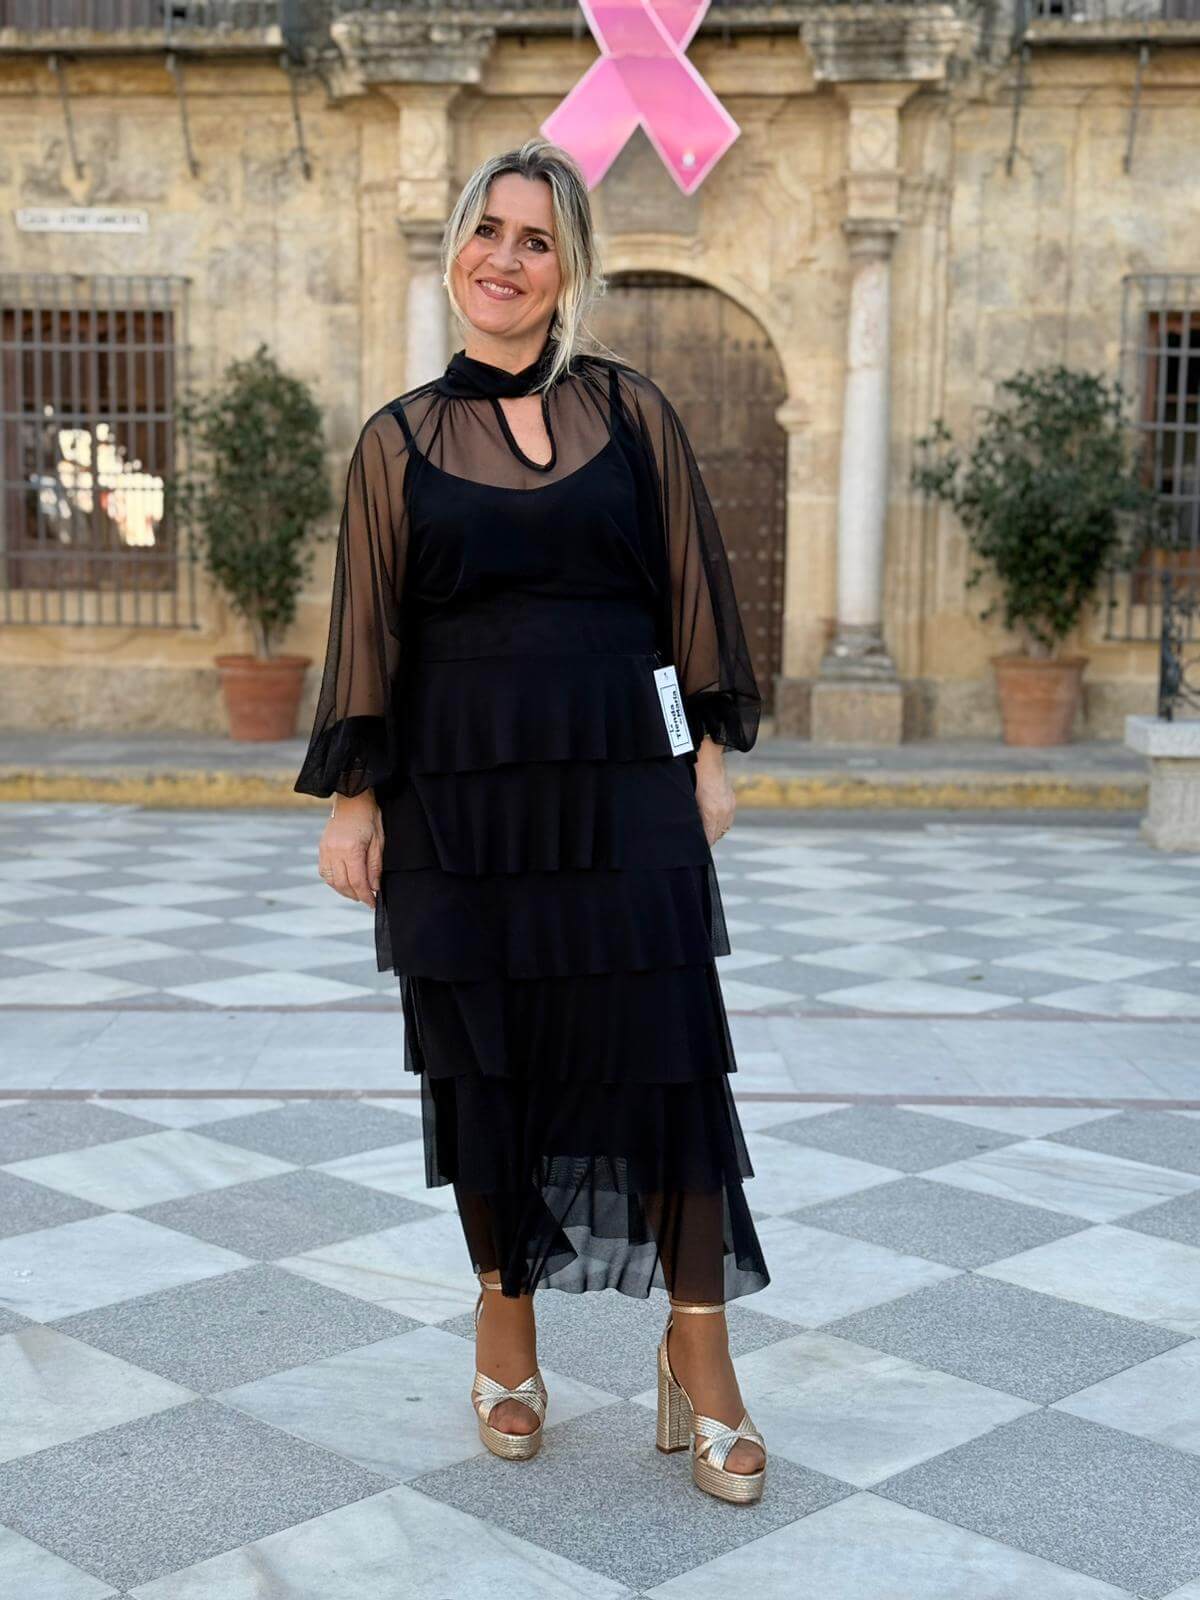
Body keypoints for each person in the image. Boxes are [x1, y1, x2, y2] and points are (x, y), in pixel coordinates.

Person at [294, 137, 770, 1503]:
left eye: (537, 238)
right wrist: (354, 798)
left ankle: (699, 1347)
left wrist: (706, 759)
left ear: (571, 270)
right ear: (456, 251)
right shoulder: (395, 442)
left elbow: (688, 596)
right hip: (458, 801)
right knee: (484, 1066)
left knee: (669, 1059)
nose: (505, 258)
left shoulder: (633, 412)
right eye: (487, 231)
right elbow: (369, 633)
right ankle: (505, 1322)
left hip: (623, 784)